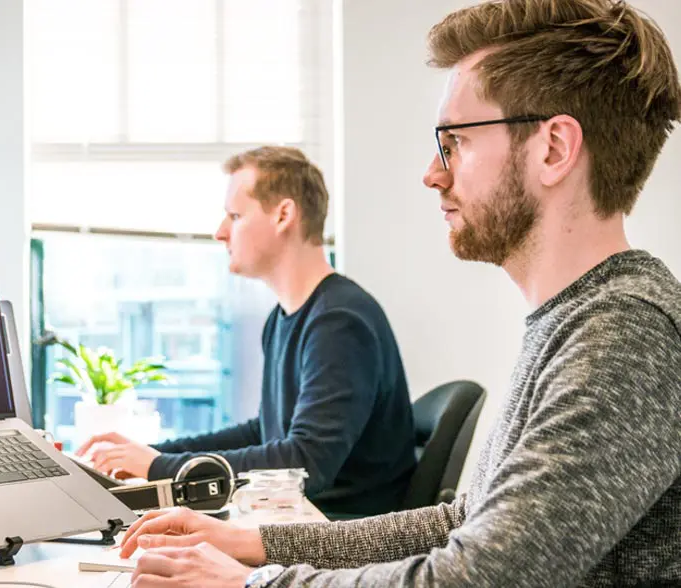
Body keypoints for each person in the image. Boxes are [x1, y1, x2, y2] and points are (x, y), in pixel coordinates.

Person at [115, 0, 681, 586]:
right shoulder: (578, 320)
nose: (432, 173)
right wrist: (254, 542)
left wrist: (250, 582)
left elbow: (479, 578)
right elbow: (464, 523)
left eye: (454, 142)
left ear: (554, 149)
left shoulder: (625, 336)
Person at [76, 146, 418, 517]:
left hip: (338, 534)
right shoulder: (285, 318)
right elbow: (265, 433)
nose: (220, 232)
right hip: (301, 519)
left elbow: (305, 465)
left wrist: (159, 468)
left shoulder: (339, 323)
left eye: (235, 216)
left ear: (283, 215)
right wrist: (156, 454)